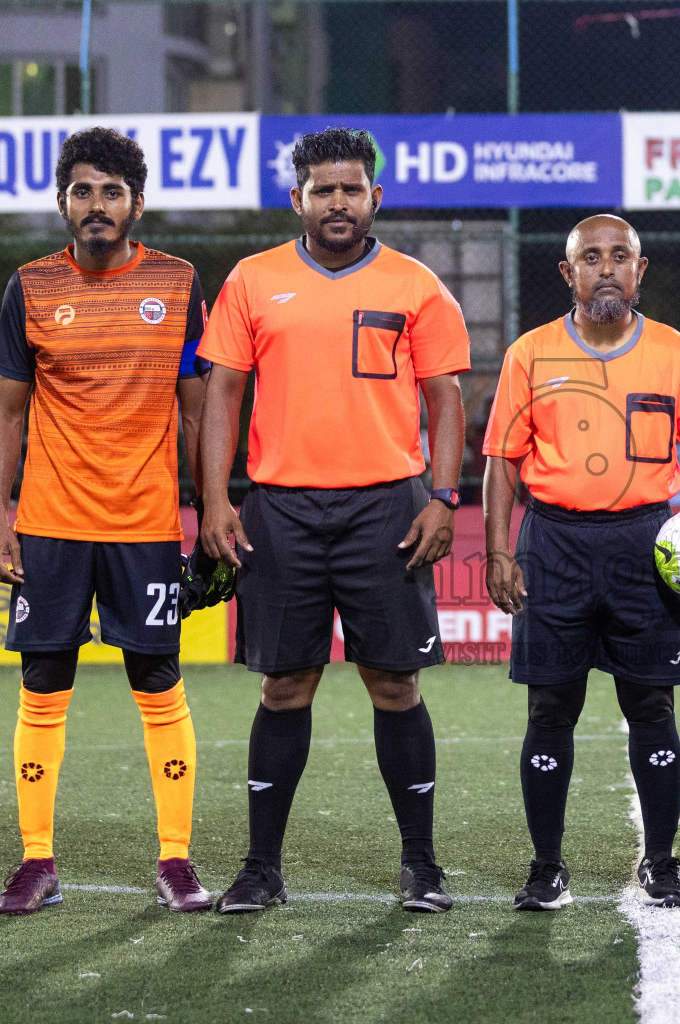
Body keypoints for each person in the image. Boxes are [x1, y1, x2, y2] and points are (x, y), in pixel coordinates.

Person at [196, 127, 471, 915]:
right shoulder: (253, 280)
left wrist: (444, 498)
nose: (339, 201)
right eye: (324, 190)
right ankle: (260, 868)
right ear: (299, 199)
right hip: (279, 508)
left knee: (394, 684)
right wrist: (217, 498)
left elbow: (446, 398)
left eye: (352, 188)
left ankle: (420, 865)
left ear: (375, 196)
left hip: (387, 506)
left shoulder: (418, 285)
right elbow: (223, 395)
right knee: (285, 687)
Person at [482, 215, 680, 911]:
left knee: (652, 707)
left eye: (620, 257)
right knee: (549, 710)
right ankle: (547, 866)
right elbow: (501, 464)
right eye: (591, 258)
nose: (606, 268)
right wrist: (498, 549)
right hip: (554, 544)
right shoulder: (530, 354)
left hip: (645, 547)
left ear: (641, 270)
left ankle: (661, 862)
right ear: (567, 273)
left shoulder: (671, 352)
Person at [0, 127, 212, 916]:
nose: (97, 205)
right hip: (49, 523)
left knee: (158, 680)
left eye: (112, 192)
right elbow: (7, 415)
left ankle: (176, 860)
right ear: (62, 204)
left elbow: (195, 408)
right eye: (83, 190)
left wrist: (213, 509)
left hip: (144, 523)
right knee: (43, 684)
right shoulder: (30, 287)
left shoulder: (179, 285)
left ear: (137, 204)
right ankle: (36, 860)